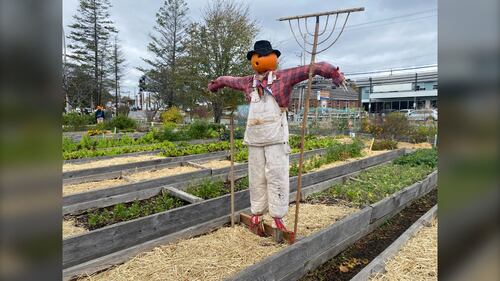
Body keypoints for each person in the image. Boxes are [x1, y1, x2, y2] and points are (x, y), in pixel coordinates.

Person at [208, 40, 345, 233]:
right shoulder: (248, 82)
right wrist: (215, 84)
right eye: (257, 56)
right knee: (256, 177)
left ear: (273, 58)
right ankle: (256, 213)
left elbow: (312, 68)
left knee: (277, 176)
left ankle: (278, 217)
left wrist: (333, 73)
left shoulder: (283, 78)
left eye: (264, 56)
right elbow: (227, 79)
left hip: (276, 138)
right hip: (255, 139)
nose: (259, 60)